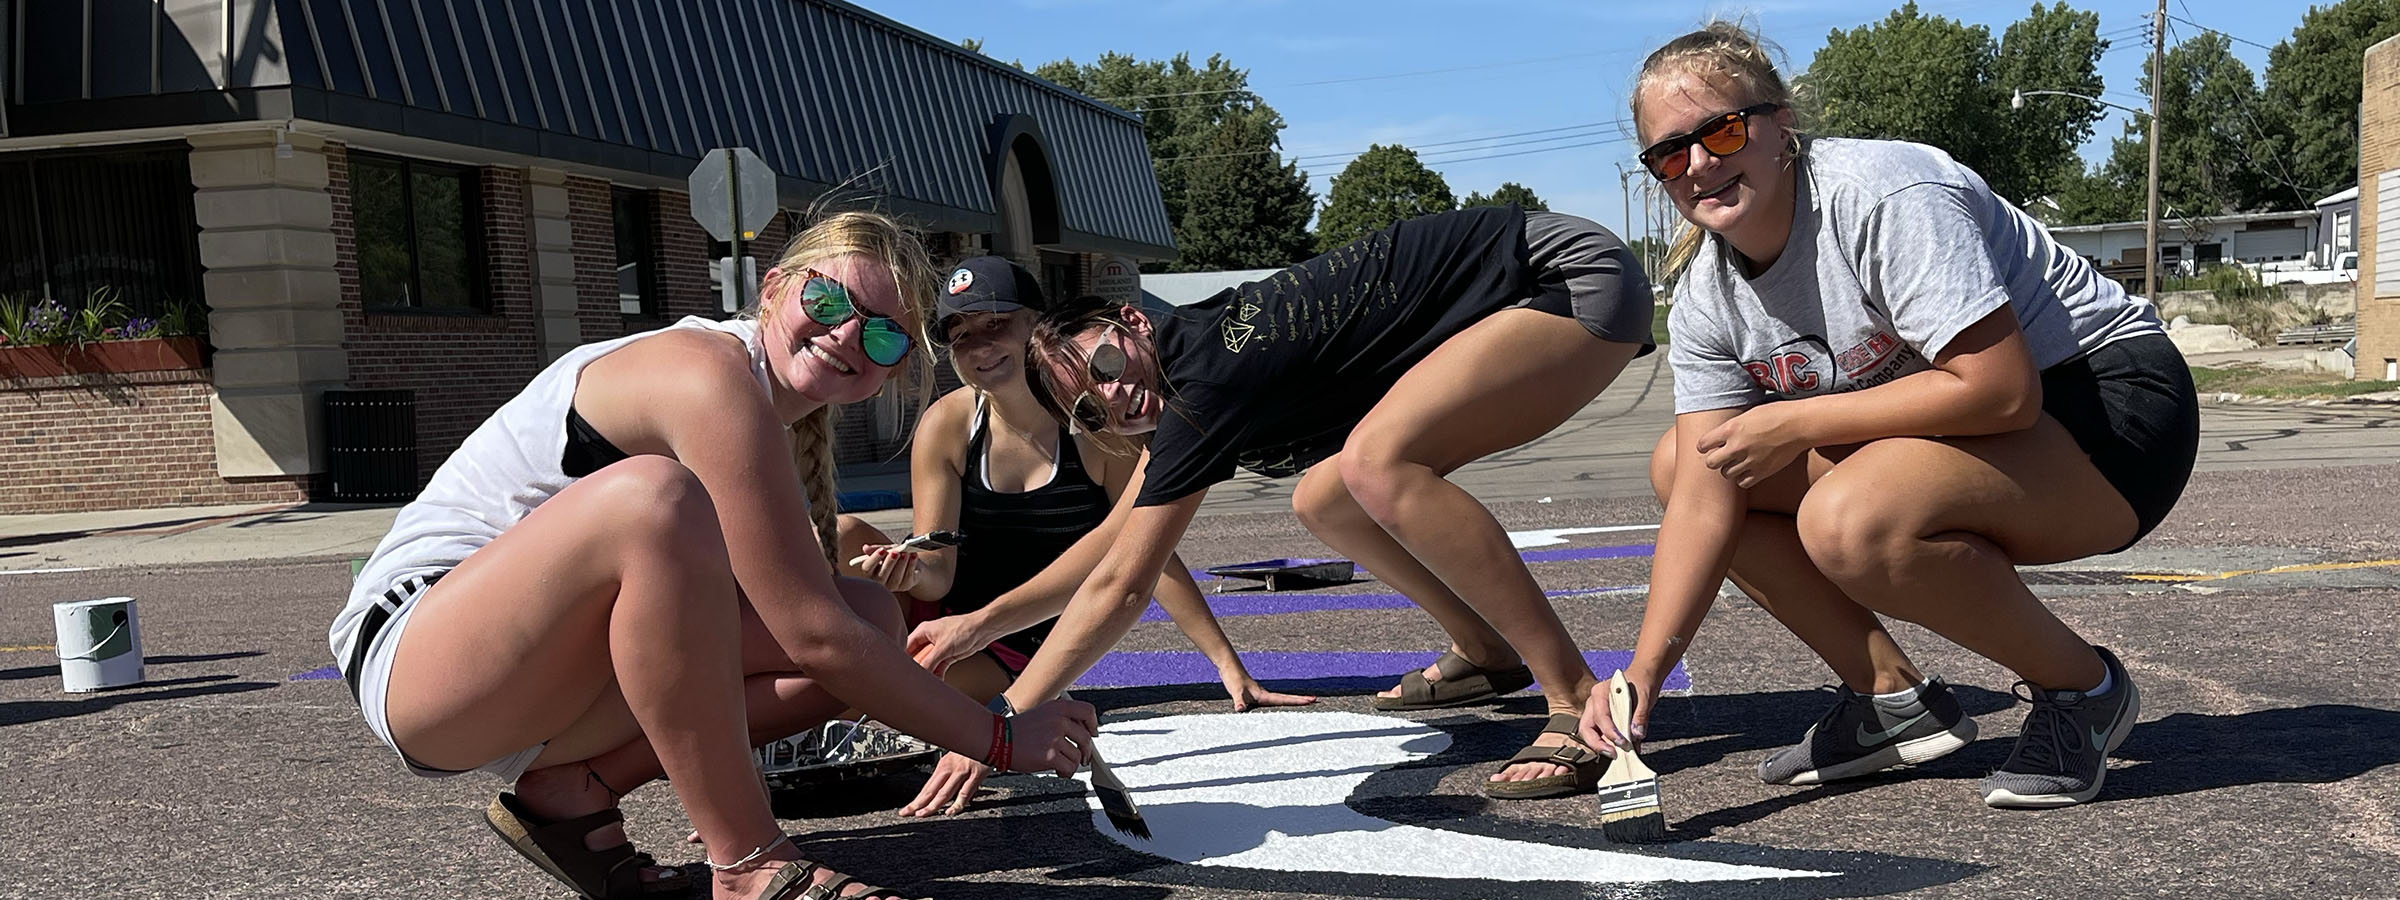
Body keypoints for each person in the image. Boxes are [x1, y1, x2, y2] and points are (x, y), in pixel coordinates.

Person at [328, 210, 1097, 900]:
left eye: (884, 334)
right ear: (772, 288)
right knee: (654, 503)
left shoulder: (768, 413)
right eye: (828, 302)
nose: (846, 335)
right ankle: (750, 861)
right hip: (417, 658)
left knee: (865, 613)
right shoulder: (706, 372)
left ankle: (576, 789)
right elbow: (812, 635)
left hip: (524, 681)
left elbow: (826, 632)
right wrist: (998, 736)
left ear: (894, 369)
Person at [1583, 23, 2198, 809]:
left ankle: (2084, 690)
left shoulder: (1882, 195)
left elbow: (2001, 389)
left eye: (1723, 129)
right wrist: (1642, 677)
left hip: (2108, 412)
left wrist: (1800, 422)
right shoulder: (1708, 293)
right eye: (1671, 152)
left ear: (1782, 127)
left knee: (1852, 518)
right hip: (1983, 431)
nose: (1699, 163)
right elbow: (1708, 491)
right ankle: (1888, 698)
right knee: (1685, 461)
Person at [904, 205, 1659, 814]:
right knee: (1325, 494)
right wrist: (977, 626)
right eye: (1089, 410)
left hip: (1565, 276)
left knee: (1376, 464)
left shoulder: (1208, 380)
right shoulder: (1184, 376)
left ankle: (1571, 698)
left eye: (1105, 365)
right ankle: (1486, 652)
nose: (1114, 397)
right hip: (1534, 283)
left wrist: (996, 727)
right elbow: (1113, 543)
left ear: (1135, 325)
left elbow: (1124, 588)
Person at [836, 256, 1316, 715]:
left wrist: (1227, 666)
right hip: (940, 615)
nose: (978, 345)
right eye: (960, 335)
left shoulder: (1100, 428)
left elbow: (1148, 550)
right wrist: (908, 570)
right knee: (841, 536)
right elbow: (937, 572)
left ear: (1037, 326)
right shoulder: (947, 423)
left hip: (1008, 647)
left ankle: (819, 701)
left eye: (995, 324)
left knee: (878, 684)